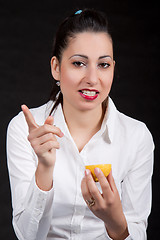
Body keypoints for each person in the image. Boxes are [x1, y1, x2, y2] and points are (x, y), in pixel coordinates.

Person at [7, 8, 154, 240]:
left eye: (103, 65)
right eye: (79, 63)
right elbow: (27, 235)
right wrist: (44, 168)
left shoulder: (137, 137)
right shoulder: (25, 129)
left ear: (113, 68)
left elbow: (138, 232)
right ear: (56, 67)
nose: (93, 79)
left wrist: (115, 221)